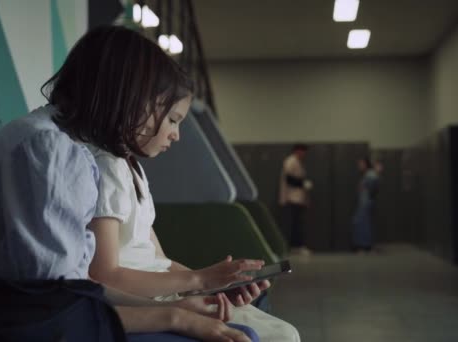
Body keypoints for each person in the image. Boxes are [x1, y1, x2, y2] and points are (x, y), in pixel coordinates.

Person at [0, 26, 262, 342]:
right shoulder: (49, 150)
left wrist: (178, 308)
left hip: (27, 311)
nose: (175, 133)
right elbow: (57, 304)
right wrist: (174, 316)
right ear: (134, 97)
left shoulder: (62, 145)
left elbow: (76, 287)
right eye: (171, 118)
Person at [84, 60, 300, 342]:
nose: (176, 134)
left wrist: (214, 284)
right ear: (142, 108)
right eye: (173, 120)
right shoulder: (105, 166)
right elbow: (105, 275)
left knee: (280, 328)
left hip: (165, 291)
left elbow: (157, 259)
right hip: (144, 300)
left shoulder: (131, 167)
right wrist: (200, 281)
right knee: (282, 335)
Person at [279, 144, 312, 255]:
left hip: (297, 199)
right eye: (303, 151)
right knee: (295, 224)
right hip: (292, 198)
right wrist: (303, 183)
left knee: (297, 223)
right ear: (297, 151)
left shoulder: (297, 162)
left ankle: (296, 246)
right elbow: (289, 179)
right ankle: (296, 246)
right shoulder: (291, 161)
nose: (304, 154)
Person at [351, 157, 381, 253]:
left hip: (366, 203)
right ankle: (365, 246)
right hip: (364, 203)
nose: (359, 166)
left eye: (361, 164)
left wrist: (368, 197)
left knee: (364, 225)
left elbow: (373, 188)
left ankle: (365, 247)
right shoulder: (367, 175)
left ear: (366, 164)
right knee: (361, 224)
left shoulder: (371, 174)